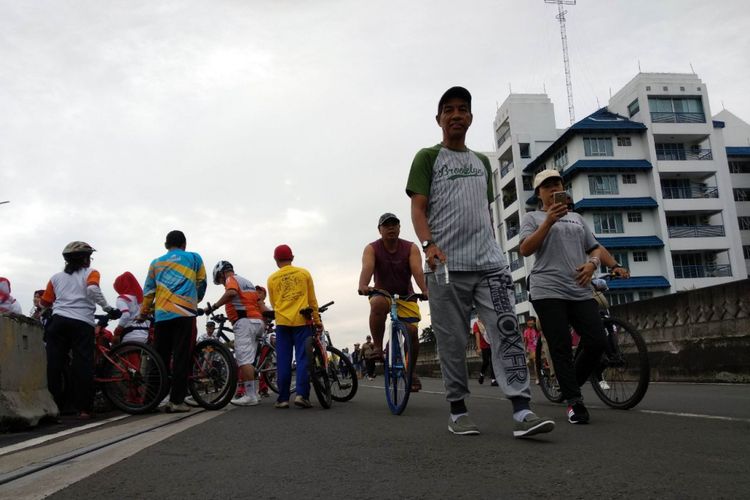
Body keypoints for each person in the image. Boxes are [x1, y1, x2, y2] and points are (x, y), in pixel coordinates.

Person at [406, 86, 554, 438]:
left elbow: (486, 213)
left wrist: (493, 246)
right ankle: (457, 410)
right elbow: (418, 208)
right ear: (439, 118)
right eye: (448, 110)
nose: (456, 115)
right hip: (445, 267)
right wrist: (428, 245)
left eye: (462, 109)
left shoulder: (481, 163)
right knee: (453, 340)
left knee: (507, 331)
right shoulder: (428, 158)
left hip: (489, 264)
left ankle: (522, 410)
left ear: (470, 117)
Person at [519, 168, 629, 424]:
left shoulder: (578, 219)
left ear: (565, 191)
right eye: (547, 186)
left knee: (597, 340)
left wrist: (601, 265)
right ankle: (574, 402)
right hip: (547, 289)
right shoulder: (532, 217)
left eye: (557, 184)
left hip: (579, 289)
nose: (554, 189)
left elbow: (594, 248)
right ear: (539, 194)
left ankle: (571, 383)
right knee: (560, 346)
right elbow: (525, 249)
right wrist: (548, 221)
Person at [40, 242, 119, 418]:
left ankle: (55, 408)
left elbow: (44, 303)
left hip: (58, 322)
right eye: (89, 257)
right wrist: (107, 308)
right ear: (85, 259)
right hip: (82, 323)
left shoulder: (55, 278)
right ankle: (83, 409)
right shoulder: (91, 273)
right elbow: (92, 289)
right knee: (83, 364)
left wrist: (46, 307)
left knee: (54, 364)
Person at [358, 212, 428, 391]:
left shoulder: (410, 247)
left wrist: (425, 290)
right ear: (379, 230)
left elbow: (417, 270)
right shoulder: (372, 248)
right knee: (377, 304)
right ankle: (379, 347)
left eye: (394, 224)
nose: (391, 228)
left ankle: (410, 371)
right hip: (382, 293)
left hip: (406, 295)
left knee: (412, 332)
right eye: (386, 225)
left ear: (399, 228)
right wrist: (363, 284)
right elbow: (367, 267)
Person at [139, 230, 207, 413]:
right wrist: (195, 300)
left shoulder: (155, 263)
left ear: (166, 245)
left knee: (158, 358)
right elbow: (202, 282)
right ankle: (176, 401)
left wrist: (144, 311)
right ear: (185, 244)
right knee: (181, 357)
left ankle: (150, 401)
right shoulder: (194, 258)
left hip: (162, 315)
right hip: (185, 313)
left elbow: (148, 291)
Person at [266, 244, 321, 409]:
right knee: (303, 358)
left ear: (276, 260)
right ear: (292, 258)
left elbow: (274, 303)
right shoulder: (304, 273)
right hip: (301, 321)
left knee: (283, 360)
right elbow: (312, 300)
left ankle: (283, 398)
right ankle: (301, 395)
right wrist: (317, 320)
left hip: (282, 322)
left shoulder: (272, 279)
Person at [204, 261, 264, 406]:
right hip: (257, 321)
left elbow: (231, 293)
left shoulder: (231, 279)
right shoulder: (247, 282)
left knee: (244, 360)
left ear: (221, 273)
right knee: (250, 359)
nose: (221, 283)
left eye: (219, 280)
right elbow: (260, 303)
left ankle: (250, 396)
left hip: (244, 322)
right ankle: (254, 393)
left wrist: (214, 307)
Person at [112, 272, 150, 344]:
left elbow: (126, 315)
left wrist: (117, 332)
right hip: (145, 335)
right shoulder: (143, 300)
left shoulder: (122, 298)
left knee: (113, 348)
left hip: (129, 335)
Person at [472, 317, 497, 386]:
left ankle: (493, 380)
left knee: (493, 361)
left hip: (492, 344)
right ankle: (482, 374)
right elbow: (477, 337)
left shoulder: (489, 321)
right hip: (483, 346)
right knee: (486, 362)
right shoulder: (477, 324)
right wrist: (478, 348)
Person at [523, 317, 541, 385]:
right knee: (532, 363)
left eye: (532, 321)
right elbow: (525, 342)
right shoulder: (526, 331)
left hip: (538, 348)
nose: (530, 322)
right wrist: (524, 349)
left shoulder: (537, 329)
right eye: (529, 321)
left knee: (537, 362)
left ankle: (539, 378)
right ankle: (536, 378)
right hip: (531, 349)